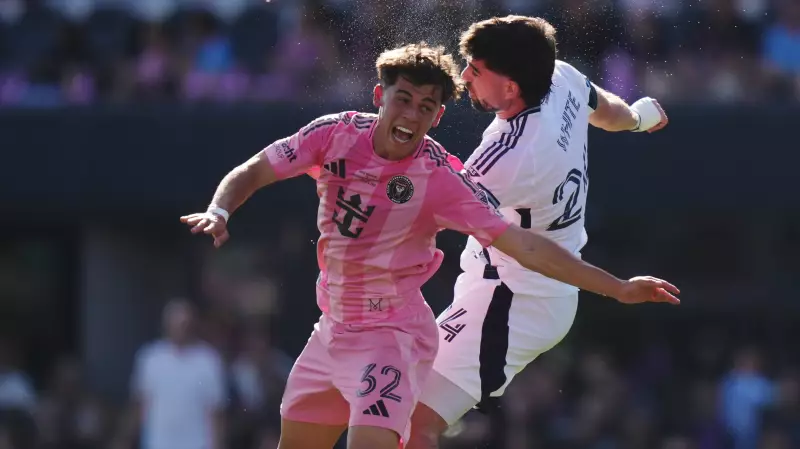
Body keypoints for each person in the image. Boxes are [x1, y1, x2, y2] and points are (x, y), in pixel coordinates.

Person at [180, 42, 679, 449]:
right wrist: (221, 210)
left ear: (437, 117)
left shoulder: (446, 178)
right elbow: (255, 170)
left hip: (394, 337)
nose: (411, 115)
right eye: (403, 100)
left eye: (425, 107)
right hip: (331, 331)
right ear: (380, 95)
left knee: (416, 427)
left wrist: (615, 288)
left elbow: (527, 247)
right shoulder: (333, 135)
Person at [406, 16, 673, 449]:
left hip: (516, 298)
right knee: (391, 399)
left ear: (510, 87)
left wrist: (618, 288)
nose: (464, 77)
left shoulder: (505, 159)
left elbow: (427, 214)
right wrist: (640, 118)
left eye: (475, 69)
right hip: (509, 283)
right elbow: (607, 111)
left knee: (414, 423)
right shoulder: (560, 76)